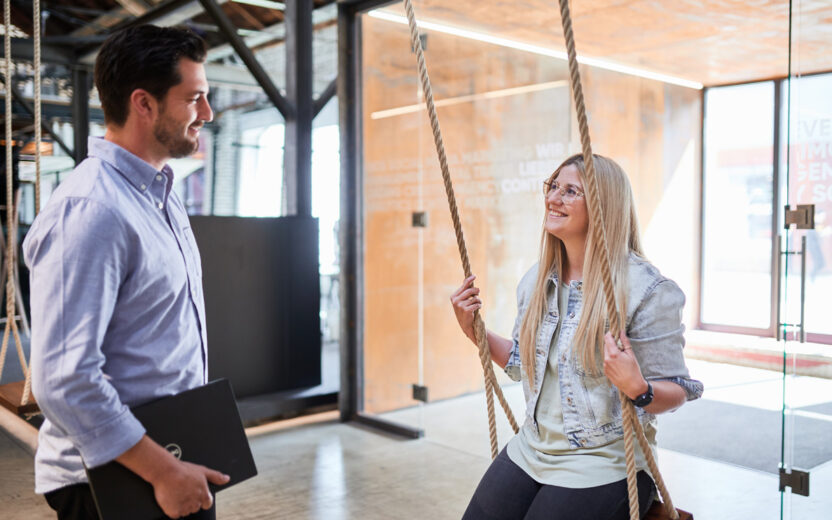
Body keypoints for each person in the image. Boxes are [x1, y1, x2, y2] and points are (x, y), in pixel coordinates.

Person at [24, 25, 227, 520]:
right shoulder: (90, 210)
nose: (207, 113)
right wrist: (163, 472)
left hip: (171, 452)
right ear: (144, 104)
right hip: (114, 479)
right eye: (194, 98)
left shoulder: (160, 194)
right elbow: (64, 379)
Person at [450, 153, 703, 520]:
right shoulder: (537, 281)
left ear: (603, 206)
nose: (554, 198)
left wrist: (639, 388)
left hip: (606, 462)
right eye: (553, 186)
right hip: (532, 449)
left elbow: (678, 390)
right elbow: (523, 363)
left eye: (570, 191)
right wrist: (474, 331)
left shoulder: (647, 291)